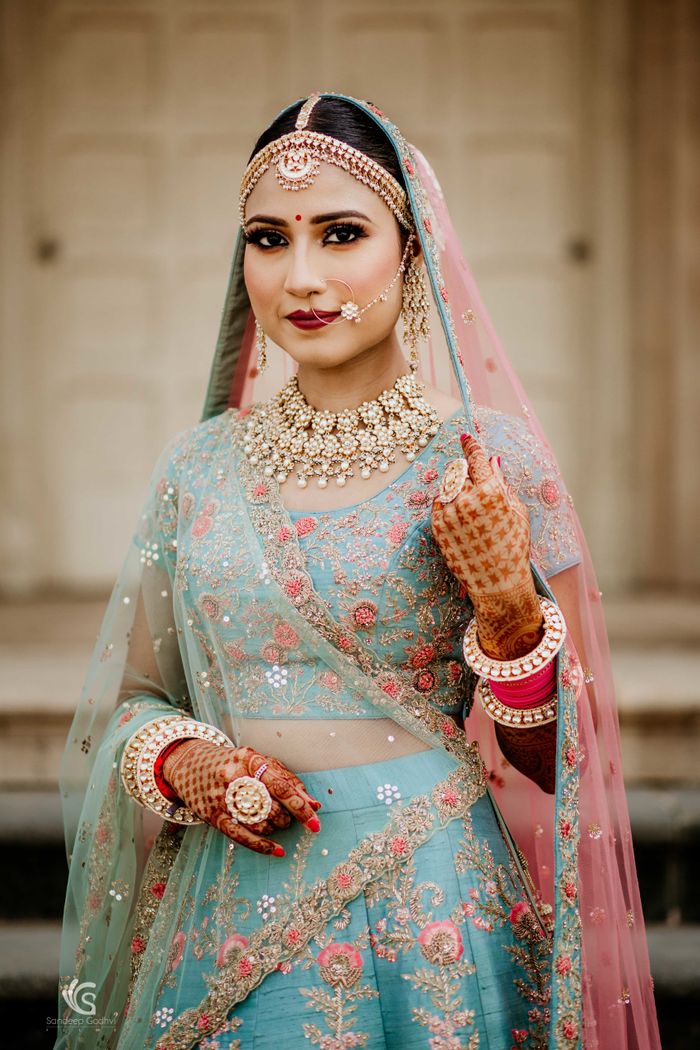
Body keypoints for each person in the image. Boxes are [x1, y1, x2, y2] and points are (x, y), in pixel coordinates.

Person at [56, 93, 660, 1050]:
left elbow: (563, 766)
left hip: (433, 913)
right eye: (267, 239)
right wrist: (189, 762)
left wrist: (506, 605)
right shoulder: (198, 465)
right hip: (227, 909)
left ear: (412, 250)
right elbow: (133, 700)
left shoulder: (481, 462)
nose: (301, 276)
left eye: (341, 234)